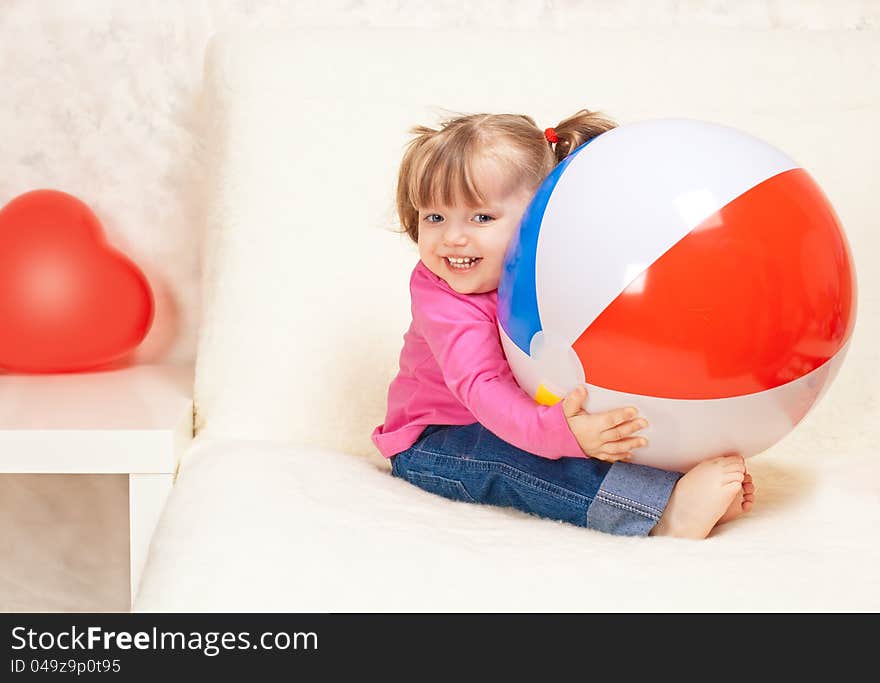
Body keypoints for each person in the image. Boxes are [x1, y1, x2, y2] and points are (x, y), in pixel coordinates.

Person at [371, 110, 755, 538]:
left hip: (526, 415)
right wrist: (561, 432)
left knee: (591, 432)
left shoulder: (551, 267)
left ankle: (671, 480)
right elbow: (481, 388)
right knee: (522, 462)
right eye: (434, 217)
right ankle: (661, 511)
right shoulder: (441, 293)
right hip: (440, 441)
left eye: (481, 218)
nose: (452, 238)